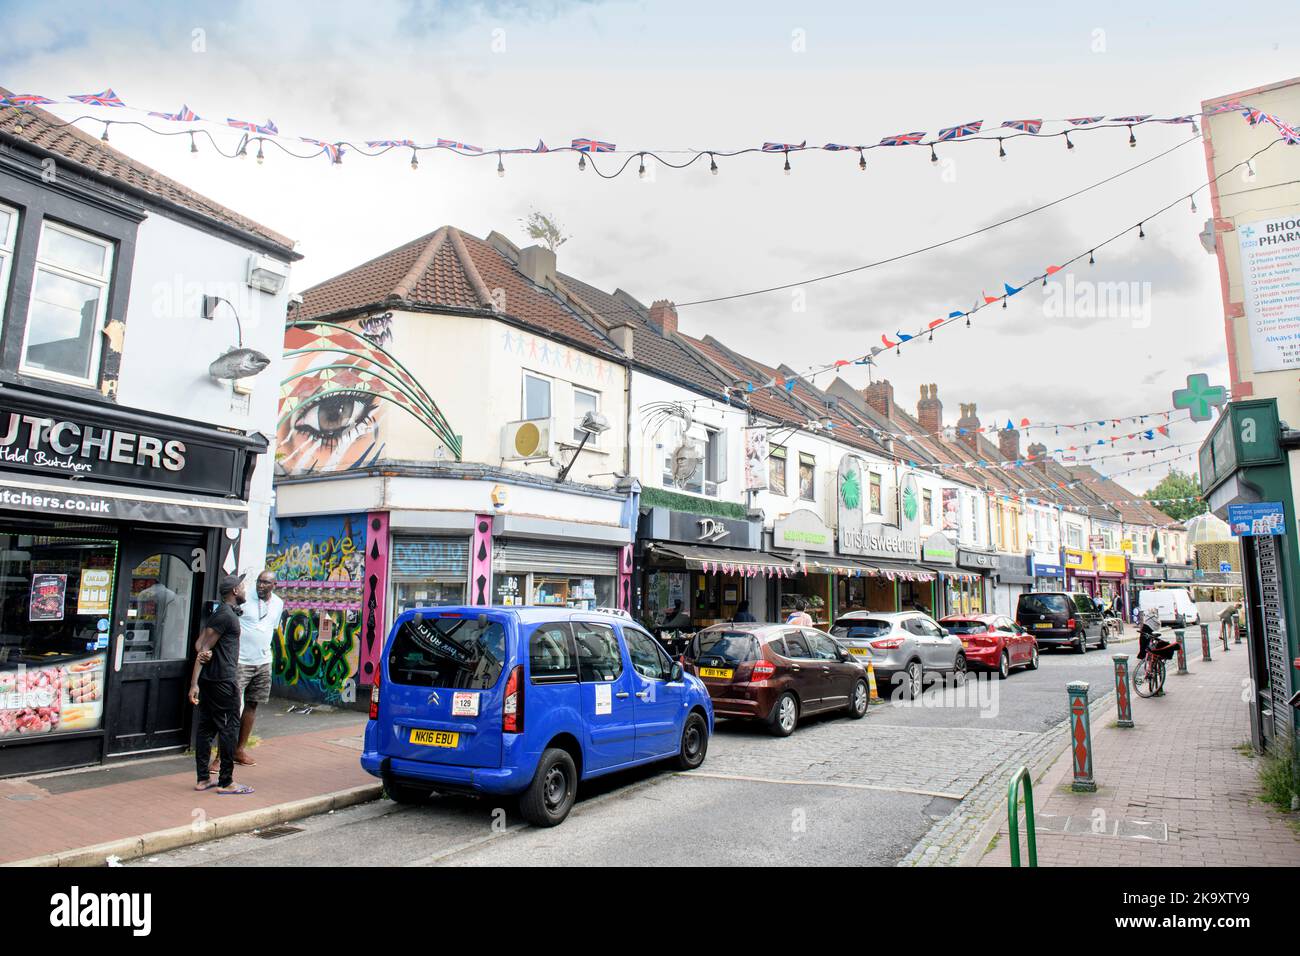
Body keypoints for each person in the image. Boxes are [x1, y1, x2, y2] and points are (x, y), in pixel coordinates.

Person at [189, 574, 253, 794]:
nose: (245, 589)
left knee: (206, 728)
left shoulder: (222, 614)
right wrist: (193, 683)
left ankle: (203, 779)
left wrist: (197, 681)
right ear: (235, 591)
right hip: (222, 681)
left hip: (212, 680)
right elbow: (202, 646)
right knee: (229, 729)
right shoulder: (226, 615)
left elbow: (201, 646)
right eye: (242, 586)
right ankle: (226, 782)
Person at [212, 570, 282, 770]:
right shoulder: (244, 598)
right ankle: (220, 755)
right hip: (239, 660)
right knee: (231, 706)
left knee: (253, 704)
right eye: (259, 581)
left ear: (274, 585)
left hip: (263, 661)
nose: (261, 585)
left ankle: (239, 750)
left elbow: (271, 628)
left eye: (266, 583)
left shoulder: (278, 603)